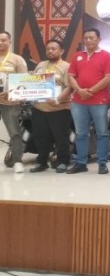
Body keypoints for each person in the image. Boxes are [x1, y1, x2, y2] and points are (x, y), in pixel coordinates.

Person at [67, 28, 110, 174]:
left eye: (92, 38)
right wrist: (79, 90)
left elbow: (108, 78)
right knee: (81, 133)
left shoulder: (107, 56)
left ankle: (102, 163)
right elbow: (71, 76)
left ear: (99, 39)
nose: (88, 40)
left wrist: (91, 91)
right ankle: (81, 163)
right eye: (86, 38)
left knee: (102, 133)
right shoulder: (77, 56)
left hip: (99, 101)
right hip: (78, 101)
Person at [30, 39, 73, 173]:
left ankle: (63, 162)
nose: (50, 51)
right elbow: (33, 83)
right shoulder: (41, 65)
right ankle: (42, 162)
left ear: (62, 51)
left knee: (61, 138)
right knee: (40, 137)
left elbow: (70, 87)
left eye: (53, 49)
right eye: (48, 49)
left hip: (59, 109)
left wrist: (58, 99)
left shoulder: (67, 67)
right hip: (40, 108)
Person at [0, 31, 28, 173]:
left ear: (10, 42)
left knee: (15, 133)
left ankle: (18, 161)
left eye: (4, 40)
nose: (1, 42)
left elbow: (24, 81)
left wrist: (9, 92)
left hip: (10, 103)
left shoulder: (17, 59)